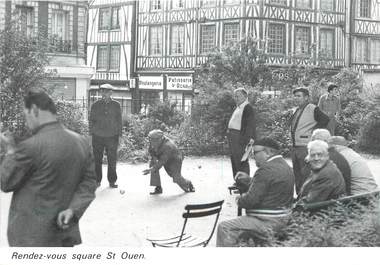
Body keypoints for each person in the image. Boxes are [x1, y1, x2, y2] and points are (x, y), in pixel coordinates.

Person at [0, 91, 97, 247]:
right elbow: (90, 182)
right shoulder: (82, 143)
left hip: (30, 237)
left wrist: (10, 151)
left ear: (34, 110)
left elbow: (6, 183)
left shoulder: (31, 146)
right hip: (63, 233)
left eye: (27, 115)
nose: (27, 122)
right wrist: (73, 209)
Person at [216, 138, 294, 247]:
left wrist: (239, 199)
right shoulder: (287, 167)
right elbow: (271, 185)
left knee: (224, 227)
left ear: (267, 152)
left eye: (255, 152)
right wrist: (251, 180)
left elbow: (249, 201)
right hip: (283, 218)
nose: (253, 157)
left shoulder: (264, 170)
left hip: (268, 221)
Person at [289, 87, 329, 195]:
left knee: (305, 174)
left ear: (306, 97)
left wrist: (313, 133)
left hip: (304, 146)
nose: (296, 98)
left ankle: (306, 198)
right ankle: (299, 197)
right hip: (295, 146)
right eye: (295, 96)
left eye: (299, 96)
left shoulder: (312, 108)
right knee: (297, 175)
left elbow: (325, 119)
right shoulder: (297, 109)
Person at [89, 84, 122, 188]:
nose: (104, 94)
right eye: (102, 91)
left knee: (112, 159)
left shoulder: (116, 105)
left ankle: (112, 181)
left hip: (112, 136)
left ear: (111, 92)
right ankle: (97, 181)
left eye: (106, 91)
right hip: (97, 136)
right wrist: (90, 135)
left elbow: (119, 121)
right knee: (97, 160)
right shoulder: (95, 105)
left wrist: (120, 135)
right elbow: (91, 121)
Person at [142, 129, 195, 194]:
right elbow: (151, 150)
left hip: (175, 159)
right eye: (151, 139)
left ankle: (188, 183)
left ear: (160, 139)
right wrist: (153, 159)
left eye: (154, 140)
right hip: (162, 157)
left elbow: (162, 161)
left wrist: (152, 169)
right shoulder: (154, 141)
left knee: (176, 178)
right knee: (153, 165)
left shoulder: (168, 146)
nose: (151, 141)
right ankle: (158, 188)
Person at [310, 129, 351, 195]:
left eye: (313, 142)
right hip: (339, 199)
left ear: (324, 142)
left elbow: (316, 194)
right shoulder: (335, 155)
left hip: (331, 202)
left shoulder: (324, 160)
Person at [227, 88, 256, 179]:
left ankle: (244, 182)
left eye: (238, 96)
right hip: (233, 136)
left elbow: (250, 125)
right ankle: (237, 181)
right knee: (234, 159)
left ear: (245, 96)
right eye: (235, 96)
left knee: (241, 160)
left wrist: (246, 140)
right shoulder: (238, 107)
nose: (236, 98)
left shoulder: (247, 107)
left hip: (240, 137)